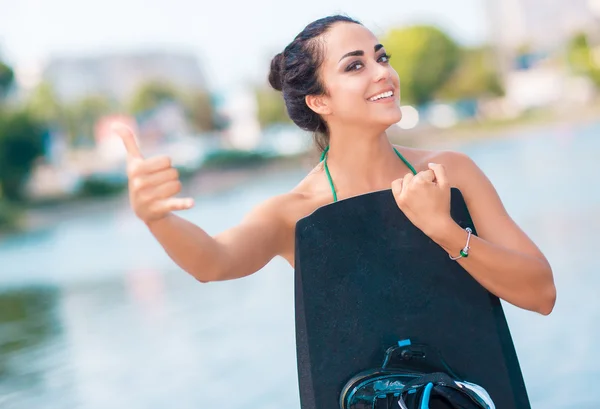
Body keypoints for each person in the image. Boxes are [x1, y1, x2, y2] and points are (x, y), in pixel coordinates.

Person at [114, 15, 556, 315]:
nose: (382, 73)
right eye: (355, 66)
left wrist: (444, 230)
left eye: (381, 58)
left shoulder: (451, 173)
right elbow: (213, 261)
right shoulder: (297, 211)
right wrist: (157, 218)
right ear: (319, 100)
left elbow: (541, 294)